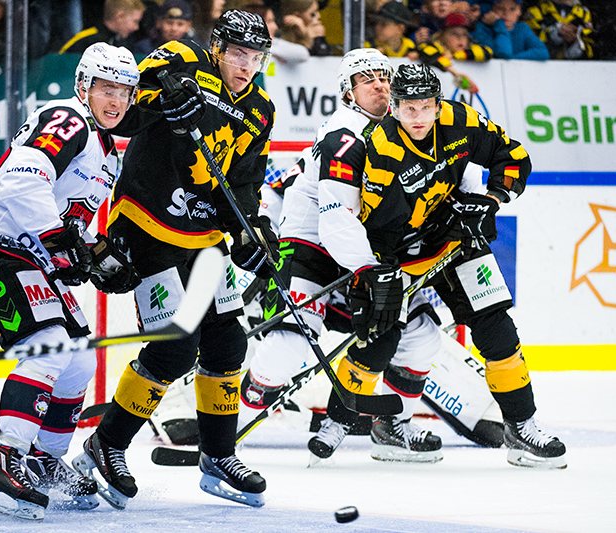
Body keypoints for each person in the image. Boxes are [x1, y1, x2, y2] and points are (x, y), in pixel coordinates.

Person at [308, 63, 567, 470]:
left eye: (425, 106)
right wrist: (369, 271)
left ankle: (522, 425)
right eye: (408, 108)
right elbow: (341, 217)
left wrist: (492, 200)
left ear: (437, 103)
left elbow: (512, 155)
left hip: (449, 237)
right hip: (387, 252)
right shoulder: (368, 147)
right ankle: (339, 421)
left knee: (496, 328)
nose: (418, 116)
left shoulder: (460, 120)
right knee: (377, 337)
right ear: (393, 107)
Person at [70, 9, 276, 509]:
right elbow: (125, 115)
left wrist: (254, 230)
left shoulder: (262, 108)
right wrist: (164, 97)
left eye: (256, 57)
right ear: (218, 47)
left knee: (228, 341)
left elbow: (244, 181)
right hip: (146, 222)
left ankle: (219, 455)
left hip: (204, 234)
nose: (246, 65)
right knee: (175, 348)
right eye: (238, 54)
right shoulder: (181, 57)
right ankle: (107, 444)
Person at [0, 43, 142, 520]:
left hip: (22, 249)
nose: (115, 101)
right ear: (83, 86)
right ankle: (3, 460)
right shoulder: (68, 119)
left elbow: (77, 223)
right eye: (106, 88)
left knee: (79, 359)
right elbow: (21, 182)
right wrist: (61, 243)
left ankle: (41, 460)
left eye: (125, 92)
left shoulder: (105, 150)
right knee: (51, 343)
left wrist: (97, 257)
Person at [240, 48, 446, 463]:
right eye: (366, 78)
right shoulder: (345, 134)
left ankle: (391, 426)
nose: (380, 84)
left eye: (384, 76)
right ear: (347, 92)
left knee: (423, 336)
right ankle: (225, 428)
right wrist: (371, 272)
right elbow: (336, 219)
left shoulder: (402, 127)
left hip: (365, 253)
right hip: (311, 246)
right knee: (287, 349)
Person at [233, 0, 311, 64]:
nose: (275, 27)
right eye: (270, 21)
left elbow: (303, 54)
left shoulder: (273, 44)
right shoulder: (234, 48)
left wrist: (268, 50)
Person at [59, 0, 145, 55]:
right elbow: (59, 61)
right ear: (119, 16)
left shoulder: (125, 42)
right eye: (135, 21)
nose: (136, 28)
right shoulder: (87, 39)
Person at [473, 0, 549, 59]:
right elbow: (504, 52)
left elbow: (543, 52)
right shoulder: (482, 29)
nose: (506, 13)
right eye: (500, 8)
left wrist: (512, 59)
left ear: (519, 11)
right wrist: (499, 24)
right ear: (492, 10)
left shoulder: (522, 28)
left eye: (512, 9)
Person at [417, 12, 493, 68]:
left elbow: (488, 52)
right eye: (454, 34)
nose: (460, 38)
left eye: (464, 34)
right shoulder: (435, 48)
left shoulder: (471, 48)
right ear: (442, 36)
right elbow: (425, 52)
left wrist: (456, 56)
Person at [524, 0, 594, 59]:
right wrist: (551, 34)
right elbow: (525, 46)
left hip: (576, 71)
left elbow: (595, 53)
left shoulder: (584, 14)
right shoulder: (535, 11)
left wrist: (574, 42)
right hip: (540, 69)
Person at [133, 0, 200, 56]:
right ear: (158, 22)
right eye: (169, 23)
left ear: (189, 26)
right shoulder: (144, 48)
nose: (174, 29)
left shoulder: (197, 50)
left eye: (180, 24)